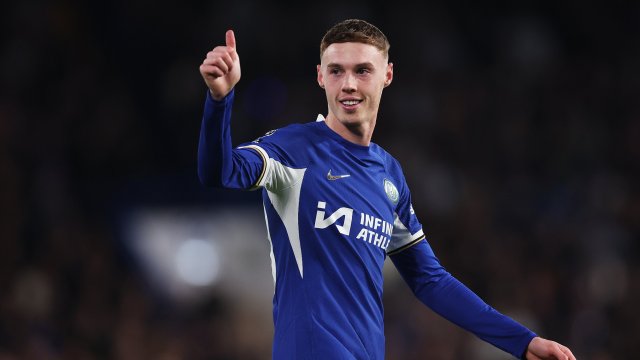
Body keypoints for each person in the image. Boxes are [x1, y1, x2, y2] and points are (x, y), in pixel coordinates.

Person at [197, 19, 576, 360]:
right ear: (320, 77)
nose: (348, 84)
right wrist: (220, 101)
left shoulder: (389, 175)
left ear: (387, 75)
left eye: (362, 71)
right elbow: (220, 171)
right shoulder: (292, 150)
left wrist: (522, 341)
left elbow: (430, 280)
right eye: (336, 71)